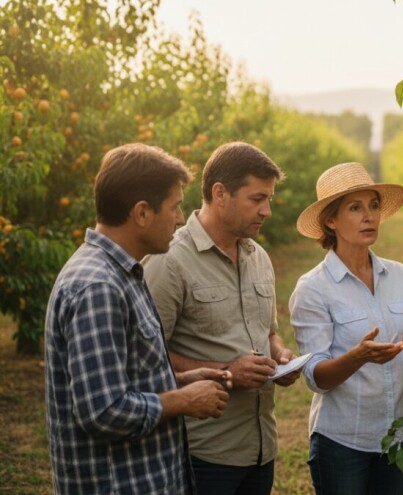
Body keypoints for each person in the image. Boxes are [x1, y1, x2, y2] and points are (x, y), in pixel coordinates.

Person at [45, 143, 231, 494]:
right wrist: (184, 400)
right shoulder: (98, 286)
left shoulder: (124, 273)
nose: (180, 219)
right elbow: (102, 410)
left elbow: (122, 375)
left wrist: (178, 379)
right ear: (142, 213)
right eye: (175, 207)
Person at [143, 141, 299, 495]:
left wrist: (281, 354)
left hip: (260, 446)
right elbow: (146, 356)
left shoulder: (258, 255)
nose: (267, 211)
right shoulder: (169, 261)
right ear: (220, 194)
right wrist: (228, 369)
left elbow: (269, 332)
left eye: (269, 199)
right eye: (257, 199)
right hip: (204, 450)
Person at [289, 162, 403, 495]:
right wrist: (357, 357)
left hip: (398, 434)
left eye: (373, 206)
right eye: (355, 208)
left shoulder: (398, 276)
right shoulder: (314, 288)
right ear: (331, 220)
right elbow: (315, 377)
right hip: (342, 441)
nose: (369, 216)